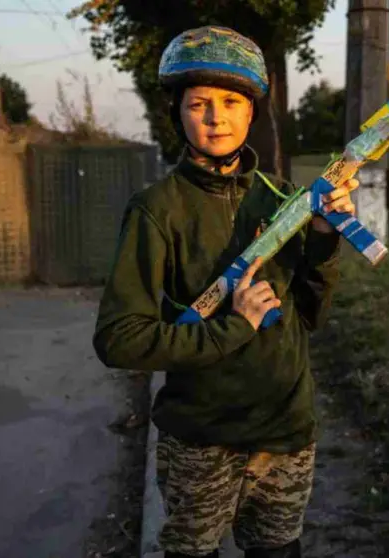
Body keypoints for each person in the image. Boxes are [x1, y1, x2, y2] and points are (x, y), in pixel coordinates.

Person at [92, 25, 359, 558]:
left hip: (285, 429)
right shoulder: (158, 209)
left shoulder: (284, 199)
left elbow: (309, 315)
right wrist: (231, 329)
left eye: (232, 102)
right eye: (199, 103)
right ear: (178, 113)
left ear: (251, 111)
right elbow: (119, 338)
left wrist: (325, 242)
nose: (216, 117)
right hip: (202, 436)